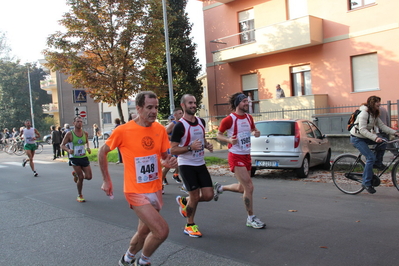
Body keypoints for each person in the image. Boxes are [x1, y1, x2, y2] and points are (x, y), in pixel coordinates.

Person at [98, 91, 177, 266]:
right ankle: (143, 262)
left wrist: (168, 162)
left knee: (143, 232)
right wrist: (106, 180)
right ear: (139, 108)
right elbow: (102, 151)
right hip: (135, 191)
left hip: (155, 190)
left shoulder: (160, 130)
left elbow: (164, 156)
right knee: (161, 231)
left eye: (156, 107)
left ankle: (126, 259)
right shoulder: (123, 130)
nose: (154, 111)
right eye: (149, 107)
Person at [215, 92, 266, 229]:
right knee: (249, 187)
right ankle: (251, 218)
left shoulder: (249, 118)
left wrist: (257, 132)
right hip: (235, 156)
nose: (247, 103)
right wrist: (228, 140)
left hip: (246, 155)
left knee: (242, 187)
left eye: (247, 101)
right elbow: (218, 134)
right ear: (238, 103)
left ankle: (220, 188)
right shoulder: (229, 119)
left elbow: (255, 130)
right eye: (244, 101)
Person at [170, 94, 214, 238]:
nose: (193, 105)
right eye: (190, 103)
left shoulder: (201, 121)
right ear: (183, 105)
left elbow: (201, 139)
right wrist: (189, 147)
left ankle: (185, 201)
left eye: (194, 103)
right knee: (194, 196)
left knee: (208, 195)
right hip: (186, 165)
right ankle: (189, 225)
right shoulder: (180, 126)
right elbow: (173, 149)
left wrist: (206, 144)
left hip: (200, 163)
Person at [350, 96, 399, 194]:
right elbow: (362, 130)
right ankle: (366, 182)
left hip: (365, 137)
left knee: (384, 141)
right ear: (372, 103)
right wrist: (375, 138)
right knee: (370, 157)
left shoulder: (374, 114)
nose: (379, 105)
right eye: (377, 103)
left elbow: (382, 126)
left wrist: (395, 132)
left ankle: (378, 163)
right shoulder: (364, 113)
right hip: (357, 138)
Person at [61, 117, 93, 202]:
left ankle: (76, 175)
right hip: (74, 158)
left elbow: (86, 142)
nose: (80, 123)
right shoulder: (69, 134)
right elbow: (62, 145)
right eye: (78, 121)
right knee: (81, 177)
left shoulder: (85, 133)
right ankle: (80, 195)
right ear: (74, 123)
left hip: (83, 156)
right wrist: (68, 150)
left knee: (89, 177)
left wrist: (88, 148)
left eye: (81, 122)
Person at [161, 108, 184, 190]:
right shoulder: (173, 124)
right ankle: (161, 180)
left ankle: (180, 179)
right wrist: (174, 138)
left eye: (182, 113)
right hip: (171, 147)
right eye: (179, 113)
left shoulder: (182, 123)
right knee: (168, 166)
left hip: (179, 147)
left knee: (181, 163)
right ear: (175, 115)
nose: (182, 114)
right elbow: (164, 134)